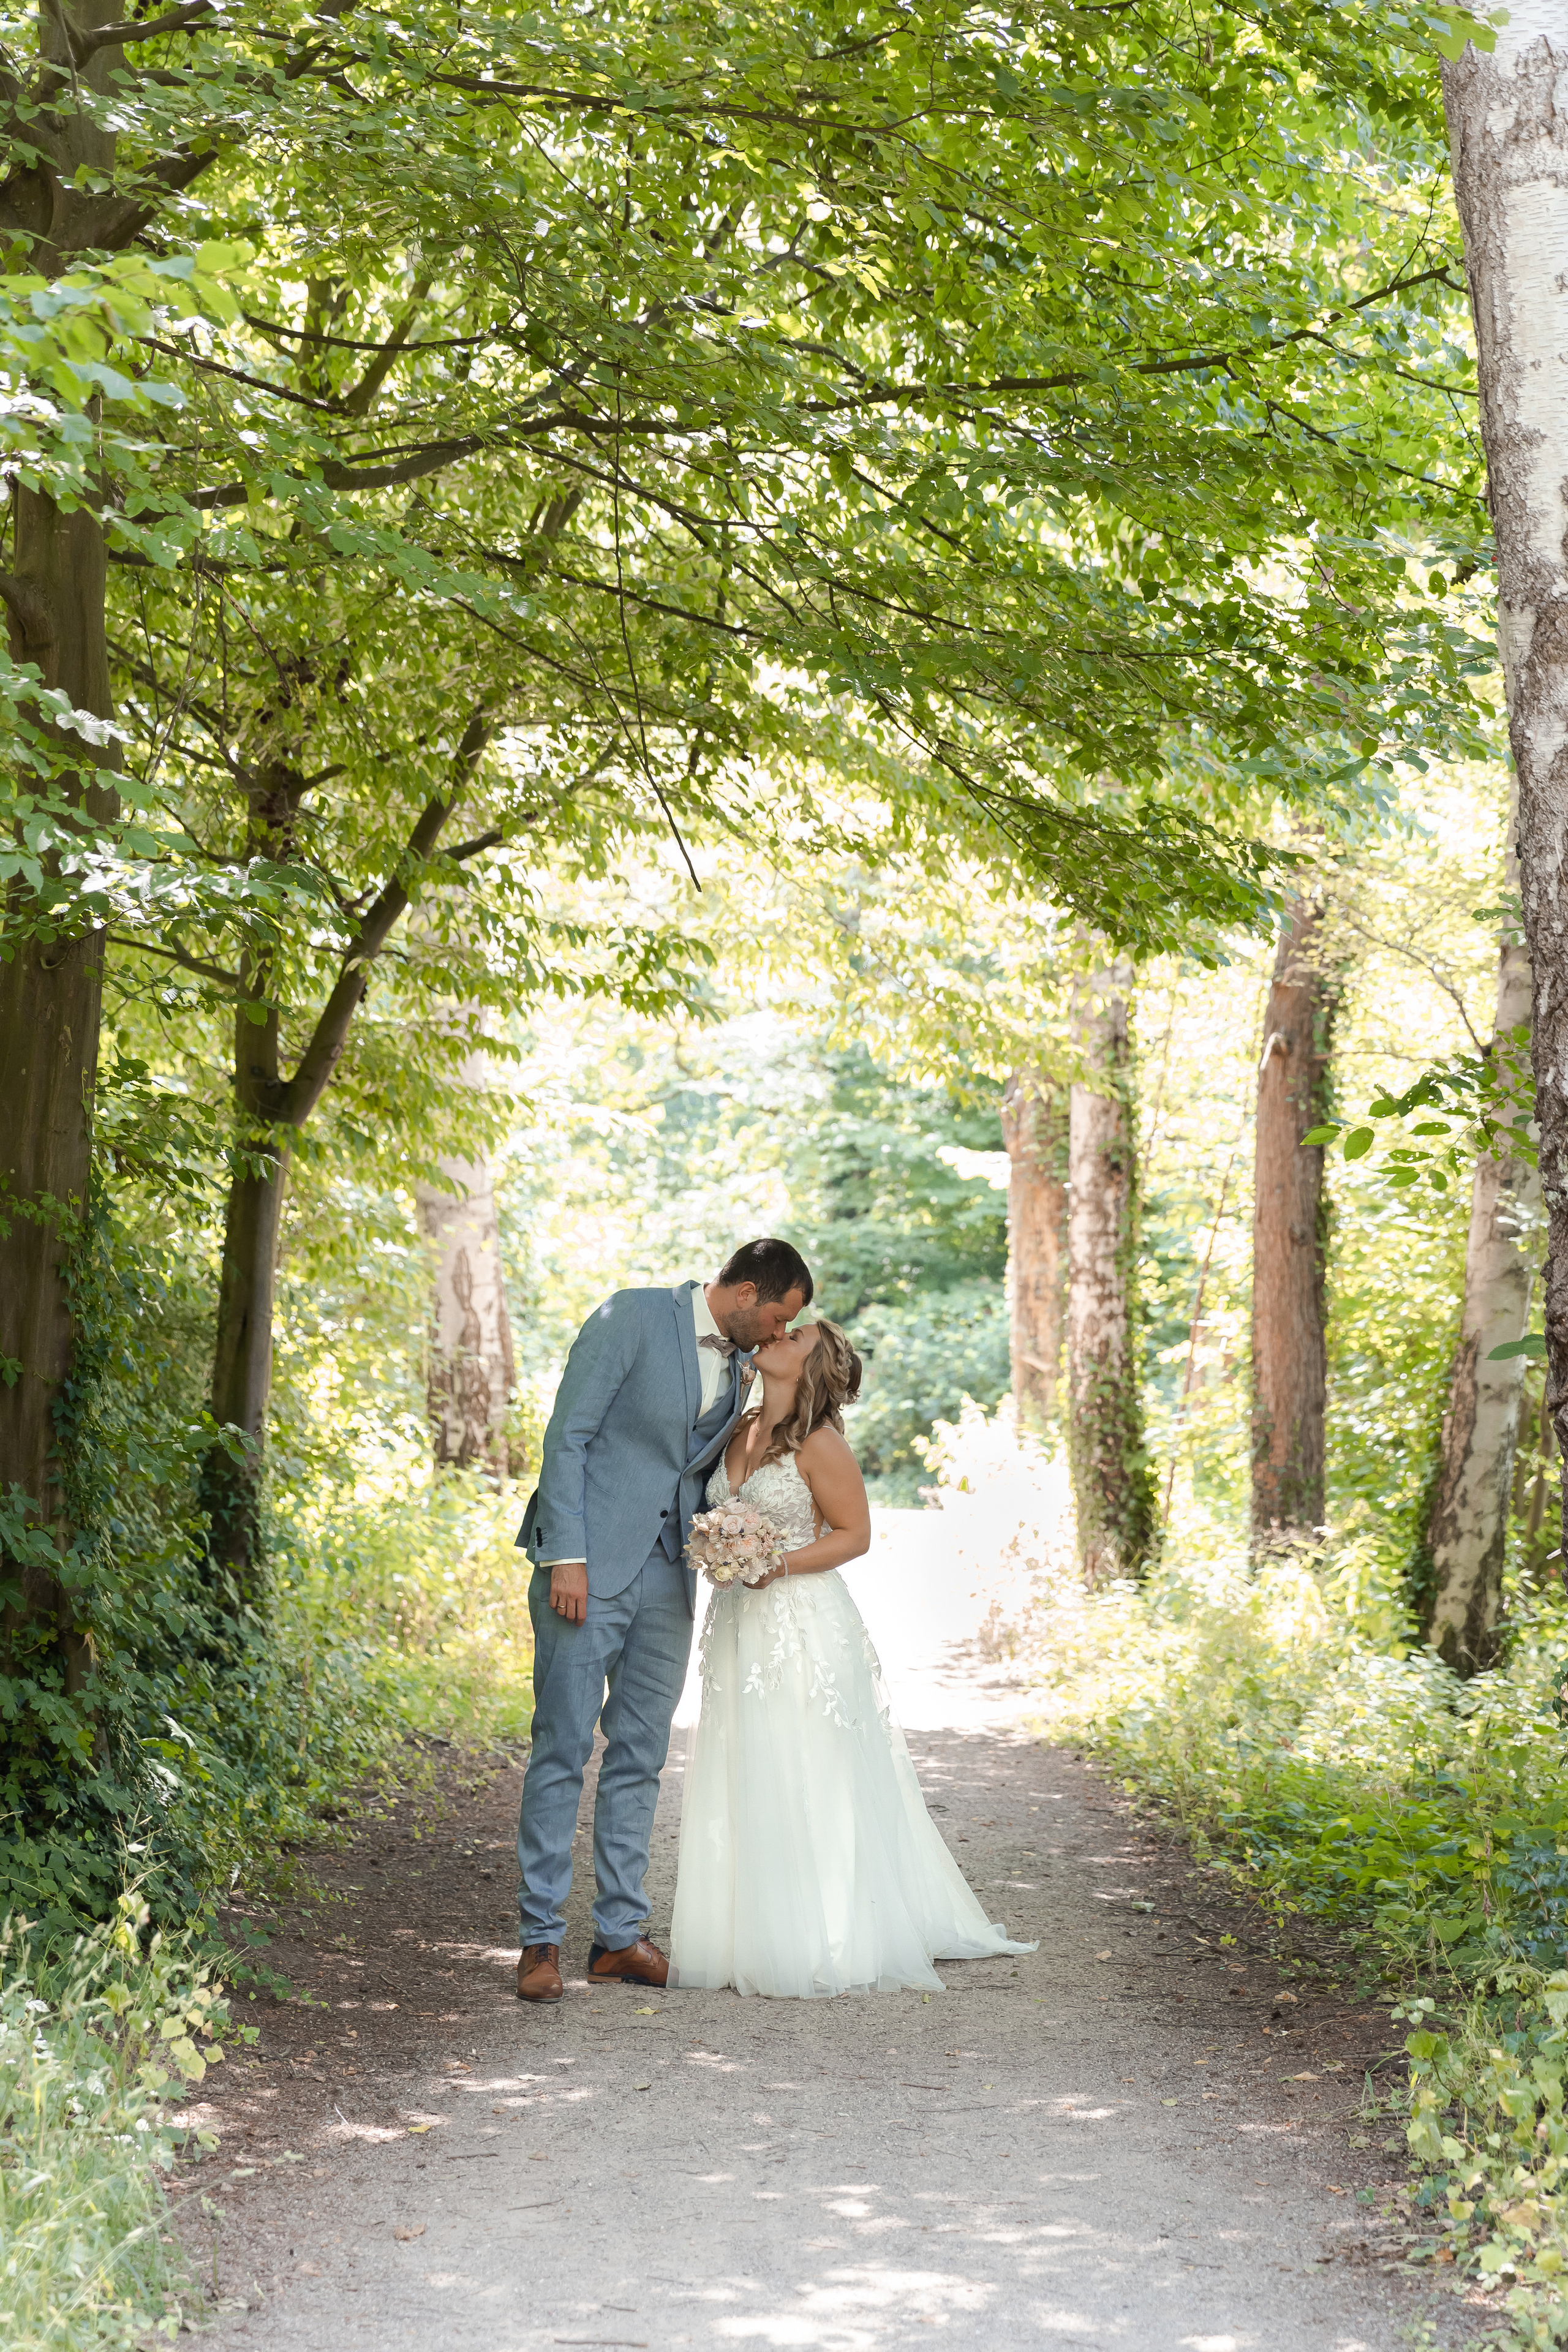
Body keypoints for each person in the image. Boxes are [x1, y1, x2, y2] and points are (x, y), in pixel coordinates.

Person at [669, 1316, 1035, 1997]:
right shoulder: (738, 1427)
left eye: (795, 1336)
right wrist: (721, 1549)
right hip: (738, 1621)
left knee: (807, 1761)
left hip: (801, 1619)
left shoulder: (820, 1443)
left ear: (811, 1366)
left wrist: (776, 1564)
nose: (777, 1334)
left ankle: (825, 1933)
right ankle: (751, 1932)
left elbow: (855, 1535)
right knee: (747, 1759)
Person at [513, 1237, 813, 2003]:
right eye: (779, 1316)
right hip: (587, 1568)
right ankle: (539, 1939)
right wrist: (566, 1555)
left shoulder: (746, 1364)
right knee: (562, 1747)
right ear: (744, 1293)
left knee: (641, 1755)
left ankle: (618, 1937)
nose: (781, 1333)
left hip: (669, 1576)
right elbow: (567, 1437)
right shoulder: (630, 1318)